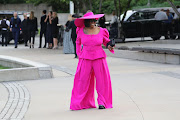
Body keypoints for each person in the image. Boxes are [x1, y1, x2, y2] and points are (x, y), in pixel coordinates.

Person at [70, 12, 114, 110]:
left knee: (102, 81)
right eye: (91, 20)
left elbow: (106, 41)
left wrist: (109, 45)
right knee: (82, 80)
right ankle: (81, 103)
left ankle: (102, 102)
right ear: (86, 21)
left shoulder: (101, 30)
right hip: (85, 58)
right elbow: (77, 42)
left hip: (99, 57)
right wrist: (79, 54)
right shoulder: (80, 31)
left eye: (94, 20)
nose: (94, 22)